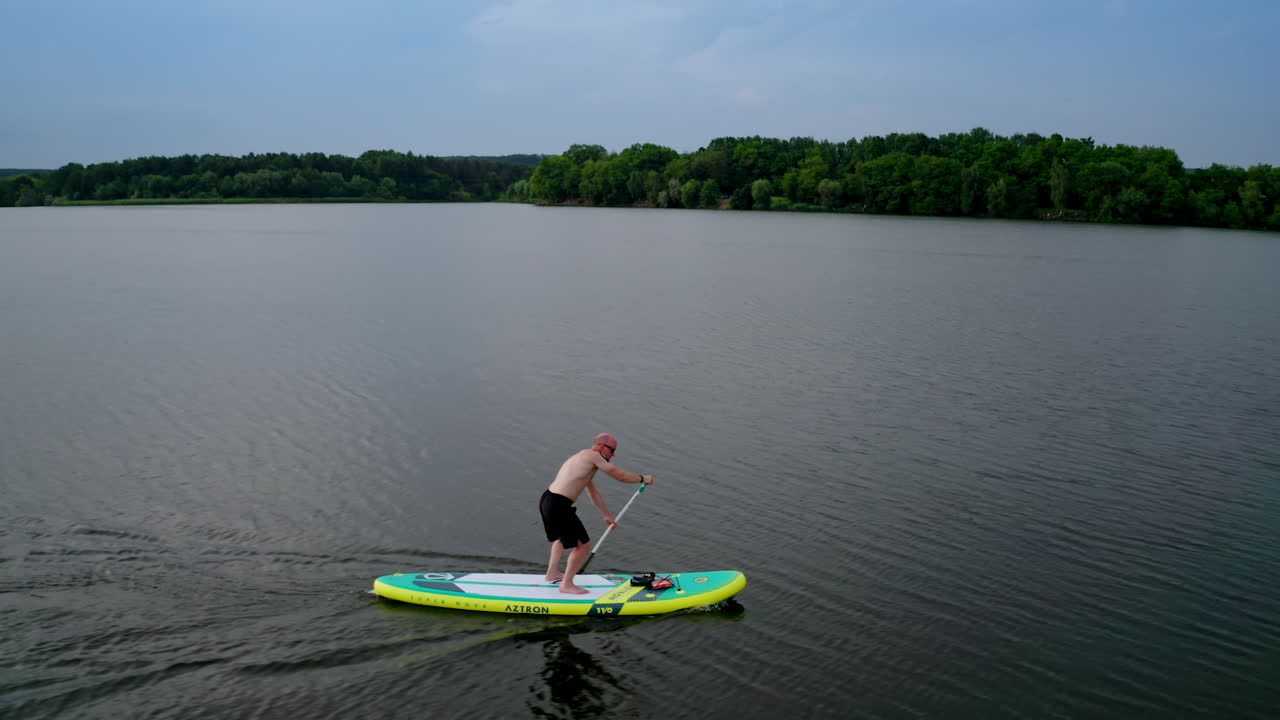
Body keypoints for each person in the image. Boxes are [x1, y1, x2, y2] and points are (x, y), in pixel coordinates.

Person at [541, 433, 654, 594]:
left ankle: (552, 574)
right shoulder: (592, 456)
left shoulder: (583, 460)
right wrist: (643, 478)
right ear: (602, 446)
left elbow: (593, 494)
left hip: (548, 500)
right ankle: (566, 584)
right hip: (558, 504)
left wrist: (607, 515)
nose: (613, 454)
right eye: (612, 450)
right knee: (583, 545)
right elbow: (620, 475)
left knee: (562, 538)